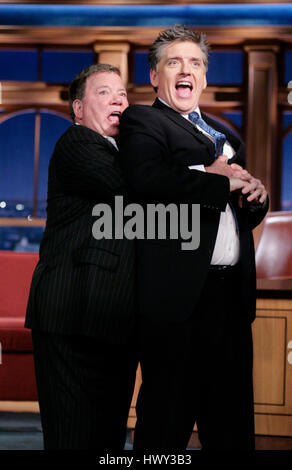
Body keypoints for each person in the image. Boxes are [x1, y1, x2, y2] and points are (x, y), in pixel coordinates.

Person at [119, 25, 268, 451]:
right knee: (166, 426)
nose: (188, 70)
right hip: (178, 301)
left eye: (197, 63)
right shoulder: (144, 120)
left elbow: (235, 213)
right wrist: (215, 176)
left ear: (204, 77)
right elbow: (145, 180)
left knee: (231, 424)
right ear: (154, 76)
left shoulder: (226, 136)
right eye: (175, 62)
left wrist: (256, 195)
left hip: (232, 300)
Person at [25, 63, 137, 450]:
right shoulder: (78, 143)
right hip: (70, 315)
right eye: (104, 92)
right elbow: (130, 189)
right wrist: (208, 174)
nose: (118, 99)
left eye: (121, 93)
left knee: (107, 441)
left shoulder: (124, 152)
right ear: (78, 108)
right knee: (73, 438)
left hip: (112, 319)